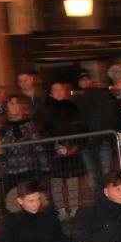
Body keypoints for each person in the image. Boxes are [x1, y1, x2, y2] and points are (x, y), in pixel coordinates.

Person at [37, 83, 87, 221]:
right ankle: (61, 210)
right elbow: (40, 131)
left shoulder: (71, 107)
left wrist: (76, 145)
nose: (59, 92)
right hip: (54, 152)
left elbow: (81, 127)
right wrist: (52, 147)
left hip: (72, 150)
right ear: (51, 93)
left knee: (73, 181)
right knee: (56, 182)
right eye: (56, 90)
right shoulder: (44, 109)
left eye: (61, 89)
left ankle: (74, 208)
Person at [0, 94, 49, 192]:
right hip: (10, 170)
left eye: (17, 103)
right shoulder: (2, 127)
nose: (15, 106)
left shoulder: (29, 124)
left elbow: (38, 146)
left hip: (29, 168)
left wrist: (45, 167)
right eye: (11, 103)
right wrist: (3, 167)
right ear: (6, 107)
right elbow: (0, 151)